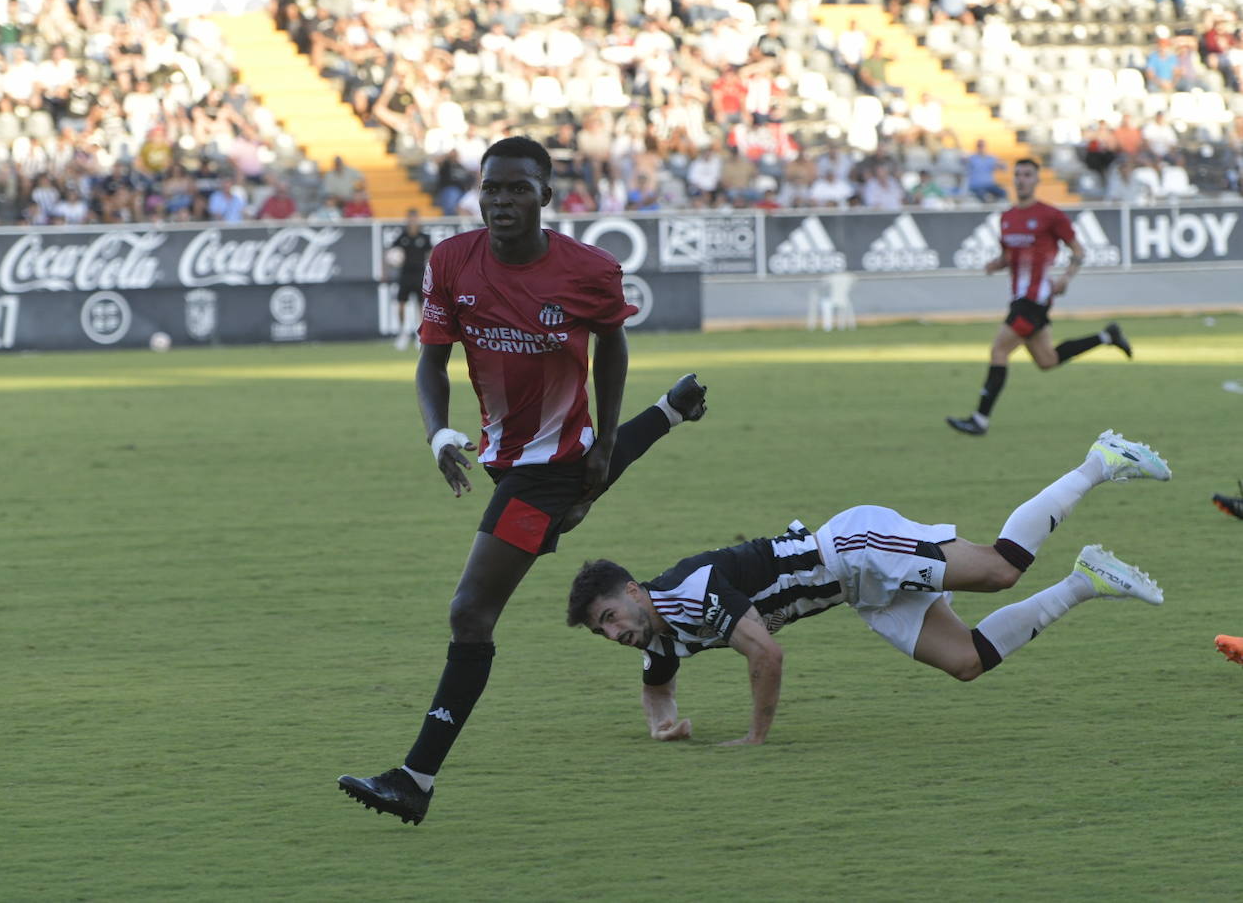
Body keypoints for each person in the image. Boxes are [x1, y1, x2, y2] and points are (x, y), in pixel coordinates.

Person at [338, 137, 708, 825]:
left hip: (550, 467)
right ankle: (672, 410)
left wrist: (602, 443)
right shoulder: (451, 261)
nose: (502, 200)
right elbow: (431, 361)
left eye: (517, 188)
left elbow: (612, 344)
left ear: (545, 196)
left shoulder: (589, 269)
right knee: (559, 513)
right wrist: (438, 433)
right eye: (491, 188)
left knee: (470, 612)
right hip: (506, 456)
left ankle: (415, 779)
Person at [567, 431, 1171, 745]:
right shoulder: (658, 635)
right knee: (967, 662)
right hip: (857, 591)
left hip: (855, 549)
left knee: (999, 570)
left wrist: (755, 738)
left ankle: (1099, 461)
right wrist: (663, 725)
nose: (612, 632)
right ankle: (1087, 580)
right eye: (601, 630)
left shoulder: (692, 589)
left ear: (633, 590)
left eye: (610, 615)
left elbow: (767, 655)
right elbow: (657, 686)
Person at [946, 158, 1132, 436]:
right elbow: (1009, 256)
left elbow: (1078, 250)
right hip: (1020, 298)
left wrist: (1066, 278)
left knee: (999, 351)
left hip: (1034, 300)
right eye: (1018, 174)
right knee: (1047, 360)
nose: (1021, 179)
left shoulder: (1050, 215)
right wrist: (996, 264)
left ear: (1036, 180)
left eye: (1027, 175)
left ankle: (980, 419)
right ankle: (1107, 336)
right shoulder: (1007, 218)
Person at [388, 208, 433, 351]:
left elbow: (432, 253)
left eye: (415, 218)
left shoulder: (424, 237)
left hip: (420, 274)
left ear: (418, 220)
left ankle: (420, 335)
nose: (413, 221)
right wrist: (392, 261)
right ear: (407, 220)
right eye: (410, 219)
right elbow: (391, 253)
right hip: (405, 274)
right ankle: (403, 333)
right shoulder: (402, 237)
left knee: (421, 306)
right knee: (401, 304)